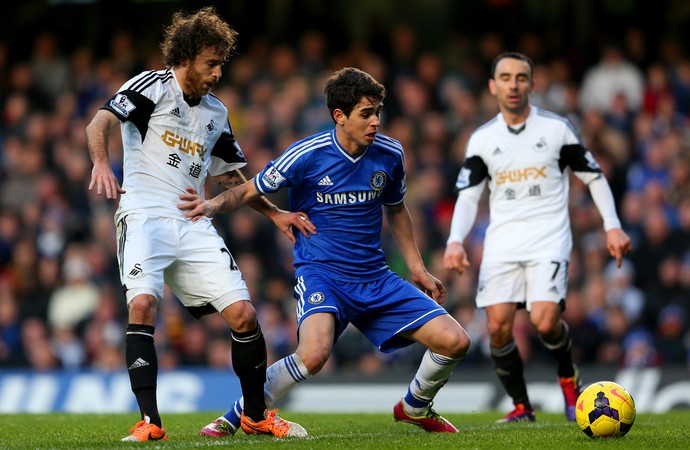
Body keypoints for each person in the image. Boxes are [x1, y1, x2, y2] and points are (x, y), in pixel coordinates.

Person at [178, 67, 471, 436]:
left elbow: (396, 208)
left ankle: (415, 405)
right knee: (313, 356)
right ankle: (239, 414)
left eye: (378, 112)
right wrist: (212, 205)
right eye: (366, 114)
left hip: (375, 278)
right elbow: (248, 190)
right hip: (323, 275)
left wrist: (417, 267)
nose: (375, 122)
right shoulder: (307, 154)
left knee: (456, 342)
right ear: (339, 116)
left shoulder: (390, 153)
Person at [85, 6, 311, 441]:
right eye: (211, 62)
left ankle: (256, 415)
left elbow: (230, 177)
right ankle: (151, 423)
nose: (218, 72)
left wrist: (274, 212)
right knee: (142, 306)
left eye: (221, 63)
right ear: (185, 57)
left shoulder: (216, 113)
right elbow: (101, 121)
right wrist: (101, 162)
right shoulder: (150, 87)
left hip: (192, 219)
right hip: (144, 215)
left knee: (244, 314)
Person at [442, 52, 632, 423]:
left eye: (521, 77)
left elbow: (593, 176)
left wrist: (612, 224)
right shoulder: (483, 138)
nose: (514, 84)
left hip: (549, 239)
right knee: (497, 328)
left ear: (532, 84)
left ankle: (567, 376)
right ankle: (521, 406)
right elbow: (468, 194)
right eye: (506, 77)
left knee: (545, 322)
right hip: (502, 243)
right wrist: (454, 240)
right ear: (493, 86)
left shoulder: (556, 129)